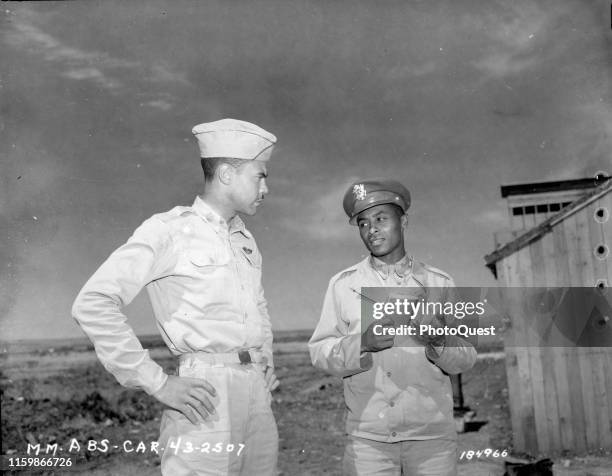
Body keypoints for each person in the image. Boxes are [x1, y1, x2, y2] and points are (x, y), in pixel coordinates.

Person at [72, 118, 279, 476]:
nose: (266, 188)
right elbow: (93, 303)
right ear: (227, 174)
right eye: (260, 175)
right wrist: (158, 383)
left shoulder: (244, 240)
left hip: (256, 394)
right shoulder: (169, 231)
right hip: (205, 397)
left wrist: (265, 363)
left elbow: (256, 306)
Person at [308, 179, 477, 476]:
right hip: (369, 440)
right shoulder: (343, 285)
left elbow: (466, 357)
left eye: (381, 219)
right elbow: (320, 353)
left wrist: (438, 340)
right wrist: (361, 343)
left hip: (431, 440)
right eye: (363, 223)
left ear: (404, 221)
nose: (371, 229)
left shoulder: (440, 283)